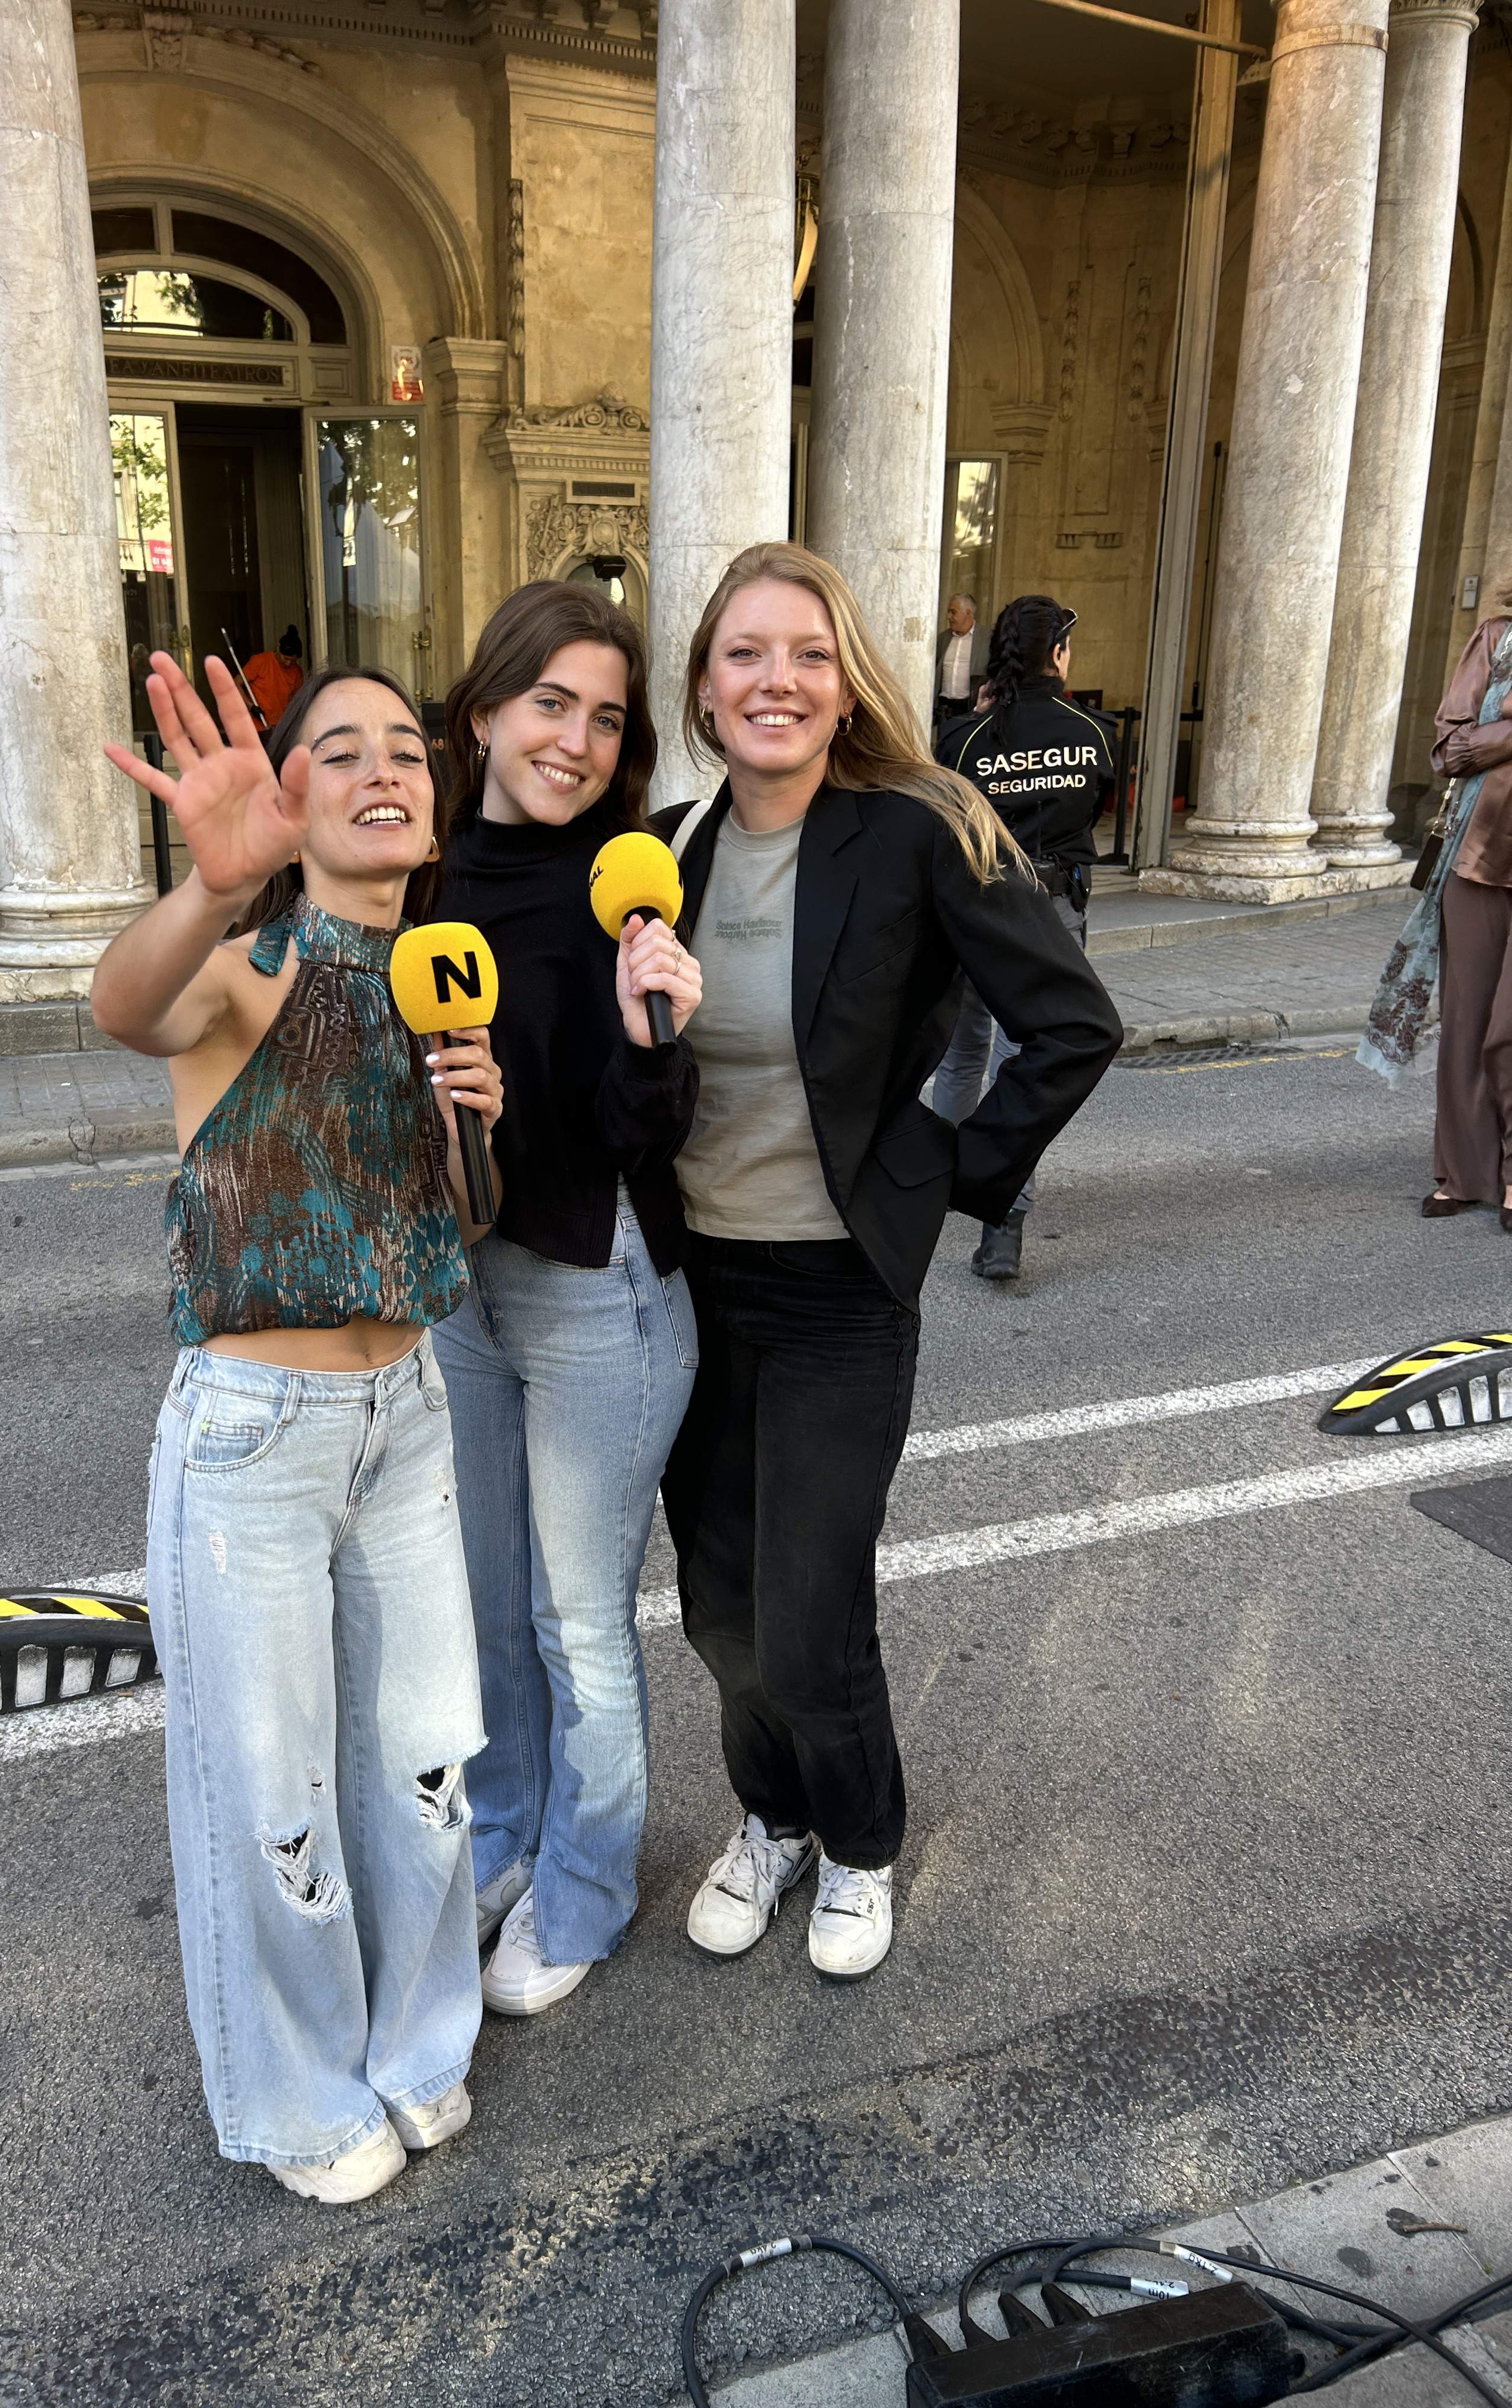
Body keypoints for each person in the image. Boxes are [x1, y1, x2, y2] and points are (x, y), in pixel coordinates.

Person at [652, 542, 1120, 1982]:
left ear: (844, 676)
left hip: (841, 1292)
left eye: (805, 651)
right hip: (693, 1292)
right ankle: (772, 1816)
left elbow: (1070, 1023)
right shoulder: (669, 846)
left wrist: (950, 1173)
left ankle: (860, 1843)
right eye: (746, 653)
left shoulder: (919, 828)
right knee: (719, 1603)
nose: (775, 679)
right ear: (707, 684)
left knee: (810, 1603)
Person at [92, 650, 503, 2205]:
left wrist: (480, 1110)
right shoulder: (247, 965)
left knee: (422, 1767)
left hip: (409, 1419)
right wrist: (209, 890)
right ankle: (297, 2091)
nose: (384, 766)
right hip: (254, 1442)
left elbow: (454, 1224)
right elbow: (125, 1006)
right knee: (273, 1796)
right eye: (339, 750)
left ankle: (419, 2043)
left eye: (406, 745)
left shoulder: (442, 973)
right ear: (287, 796)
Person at [432, 581, 704, 2017]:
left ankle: (587, 1891)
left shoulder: (636, 875)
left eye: (606, 716)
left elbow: (636, 1129)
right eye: (552, 703)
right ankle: (507, 1837)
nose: (579, 738)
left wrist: (655, 1033)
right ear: (485, 710)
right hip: (459, 1294)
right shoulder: (423, 869)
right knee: (486, 1612)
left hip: (603, 1295)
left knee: (573, 1620)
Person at [931, 594, 1118, 1280]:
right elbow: (1094, 806)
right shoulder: (1094, 732)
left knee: (959, 1057)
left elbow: (941, 820)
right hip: (1051, 910)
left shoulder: (962, 740)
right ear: (1059, 655)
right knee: (1029, 1065)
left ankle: (935, 1183)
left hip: (972, 910)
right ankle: (1003, 1223)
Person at [1359, 602, 1512, 1215]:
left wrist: (1494, 737)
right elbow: (1450, 750)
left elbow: (1478, 743)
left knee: (1509, 1028)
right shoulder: (1497, 638)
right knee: (1467, 1023)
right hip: (1476, 857)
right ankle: (1466, 1172)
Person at [933, 594, 988, 724]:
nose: (949, 617)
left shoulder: (987, 638)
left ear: (968, 613)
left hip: (970, 708)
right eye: (949, 612)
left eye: (953, 612)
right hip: (944, 708)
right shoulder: (943, 639)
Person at [241, 624, 305, 729]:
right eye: (286, 658)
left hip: (280, 728)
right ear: (278, 648)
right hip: (257, 726)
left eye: (293, 661)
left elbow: (296, 702)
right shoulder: (260, 662)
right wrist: (251, 706)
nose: (288, 664)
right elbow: (236, 684)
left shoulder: (297, 672)